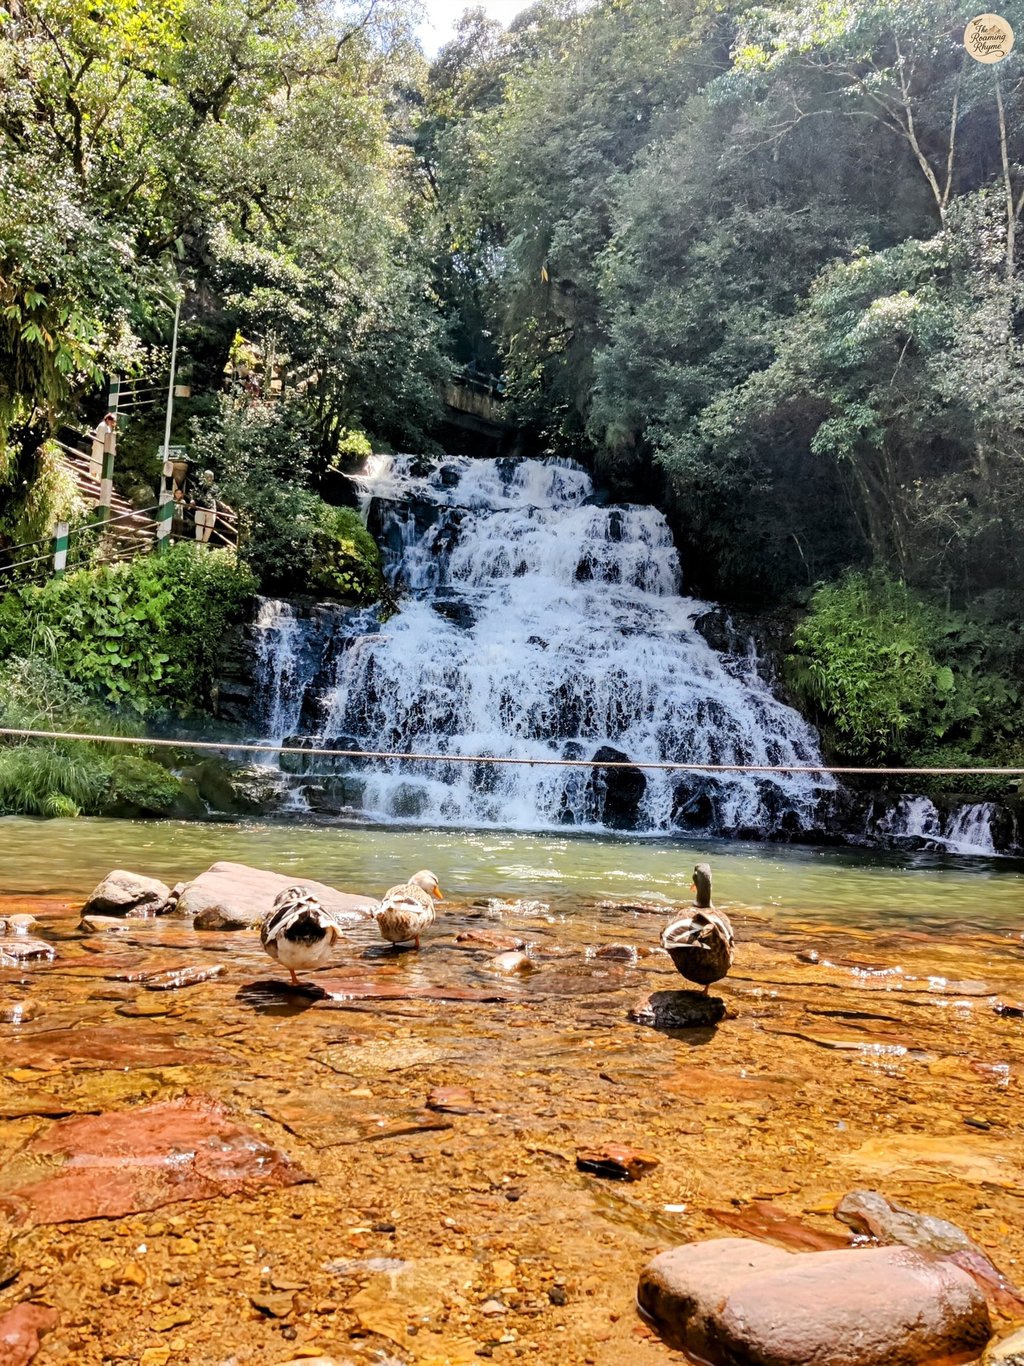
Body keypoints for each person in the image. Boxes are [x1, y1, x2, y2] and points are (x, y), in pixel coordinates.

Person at [190, 469, 220, 544]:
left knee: (209, 529)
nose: (209, 478)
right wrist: (192, 500)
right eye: (207, 476)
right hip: (200, 508)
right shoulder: (199, 485)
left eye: (210, 476)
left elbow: (217, 498)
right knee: (199, 529)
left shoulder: (215, 487)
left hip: (211, 510)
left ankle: (203, 547)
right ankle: (198, 549)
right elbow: (193, 493)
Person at [89, 413, 117, 481]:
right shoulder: (103, 426)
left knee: (99, 463)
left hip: (101, 447)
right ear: (107, 419)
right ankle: (93, 477)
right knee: (96, 462)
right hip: (99, 447)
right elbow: (102, 438)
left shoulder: (106, 426)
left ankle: (95, 477)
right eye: (111, 421)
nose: (111, 423)